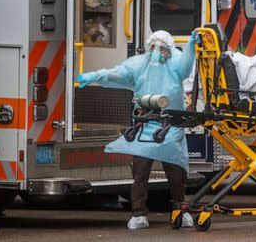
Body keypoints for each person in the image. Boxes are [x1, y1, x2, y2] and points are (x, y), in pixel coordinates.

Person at [77, 30, 195, 230]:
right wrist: (95, 76)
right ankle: (139, 213)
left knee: (176, 173)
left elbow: (186, 64)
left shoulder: (176, 63)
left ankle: (180, 210)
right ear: (148, 48)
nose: (158, 52)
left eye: (162, 48)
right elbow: (117, 73)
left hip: (170, 126)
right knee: (140, 174)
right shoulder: (139, 64)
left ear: (169, 50)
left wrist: (192, 44)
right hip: (145, 125)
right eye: (154, 47)